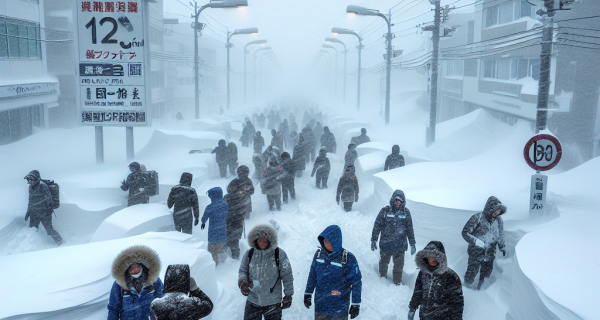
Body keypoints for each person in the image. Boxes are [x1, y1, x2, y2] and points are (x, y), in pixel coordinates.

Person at [304, 225, 362, 320]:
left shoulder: (348, 258)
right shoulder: (319, 255)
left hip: (339, 309)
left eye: (329, 240)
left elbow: (356, 282)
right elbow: (313, 275)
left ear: (336, 241)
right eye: (324, 240)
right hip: (321, 306)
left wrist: (356, 303)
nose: (326, 243)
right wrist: (308, 293)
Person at [238, 223, 294, 320]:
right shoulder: (249, 254)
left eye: (265, 241)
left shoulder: (279, 254)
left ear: (270, 241)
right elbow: (243, 271)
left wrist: (288, 295)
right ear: (255, 240)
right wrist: (243, 282)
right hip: (253, 300)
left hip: (273, 302)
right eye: (260, 240)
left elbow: (287, 275)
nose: (262, 243)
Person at [408, 241, 464, 320]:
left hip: (442, 317)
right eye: (428, 256)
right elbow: (418, 291)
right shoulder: (423, 273)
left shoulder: (451, 276)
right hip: (424, 316)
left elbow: (457, 302)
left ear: (440, 257)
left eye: (434, 256)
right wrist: (412, 308)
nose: (431, 259)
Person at [371, 190, 416, 285]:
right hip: (386, 244)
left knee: (398, 267)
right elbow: (377, 225)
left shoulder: (406, 213)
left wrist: (412, 244)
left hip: (400, 246)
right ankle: (381, 280)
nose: (397, 202)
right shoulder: (385, 211)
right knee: (383, 263)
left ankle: (397, 282)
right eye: (396, 200)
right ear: (392, 200)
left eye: (399, 201)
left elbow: (409, 229)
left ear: (403, 202)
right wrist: (374, 239)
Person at [462, 196, 507, 290]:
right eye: (496, 210)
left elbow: (500, 234)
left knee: (486, 275)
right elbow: (465, 232)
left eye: (499, 211)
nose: (497, 212)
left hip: (490, 252)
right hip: (475, 252)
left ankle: (482, 292)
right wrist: (476, 242)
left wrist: (502, 246)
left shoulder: (499, 221)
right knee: (471, 272)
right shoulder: (477, 218)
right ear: (489, 208)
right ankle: (465, 289)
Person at [107, 245, 164, 320]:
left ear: (142, 265)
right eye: (132, 267)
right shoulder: (120, 284)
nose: (135, 269)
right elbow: (114, 309)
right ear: (127, 269)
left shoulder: (153, 279)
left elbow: (162, 301)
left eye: (137, 265)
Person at [24, 170, 63, 245]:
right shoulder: (30, 187)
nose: (30, 181)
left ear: (36, 179)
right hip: (34, 213)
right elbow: (30, 200)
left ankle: (60, 242)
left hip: (44, 213)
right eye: (29, 180)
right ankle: (32, 247)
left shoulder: (43, 186)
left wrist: (46, 212)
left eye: (31, 179)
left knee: (49, 230)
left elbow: (49, 200)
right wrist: (28, 211)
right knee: (32, 229)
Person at [227, 166, 255, 258]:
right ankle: (235, 251)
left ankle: (234, 250)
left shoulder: (244, 181)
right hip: (240, 207)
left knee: (234, 228)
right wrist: (242, 191)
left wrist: (241, 192)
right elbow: (230, 190)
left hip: (237, 208)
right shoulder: (237, 182)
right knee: (237, 227)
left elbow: (251, 191)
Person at [200, 187, 228, 265]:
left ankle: (214, 264)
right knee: (222, 247)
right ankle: (224, 263)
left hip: (213, 232)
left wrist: (203, 222)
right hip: (223, 230)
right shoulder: (225, 204)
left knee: (212, 250)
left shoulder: (210, 207)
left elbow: (204, 217)